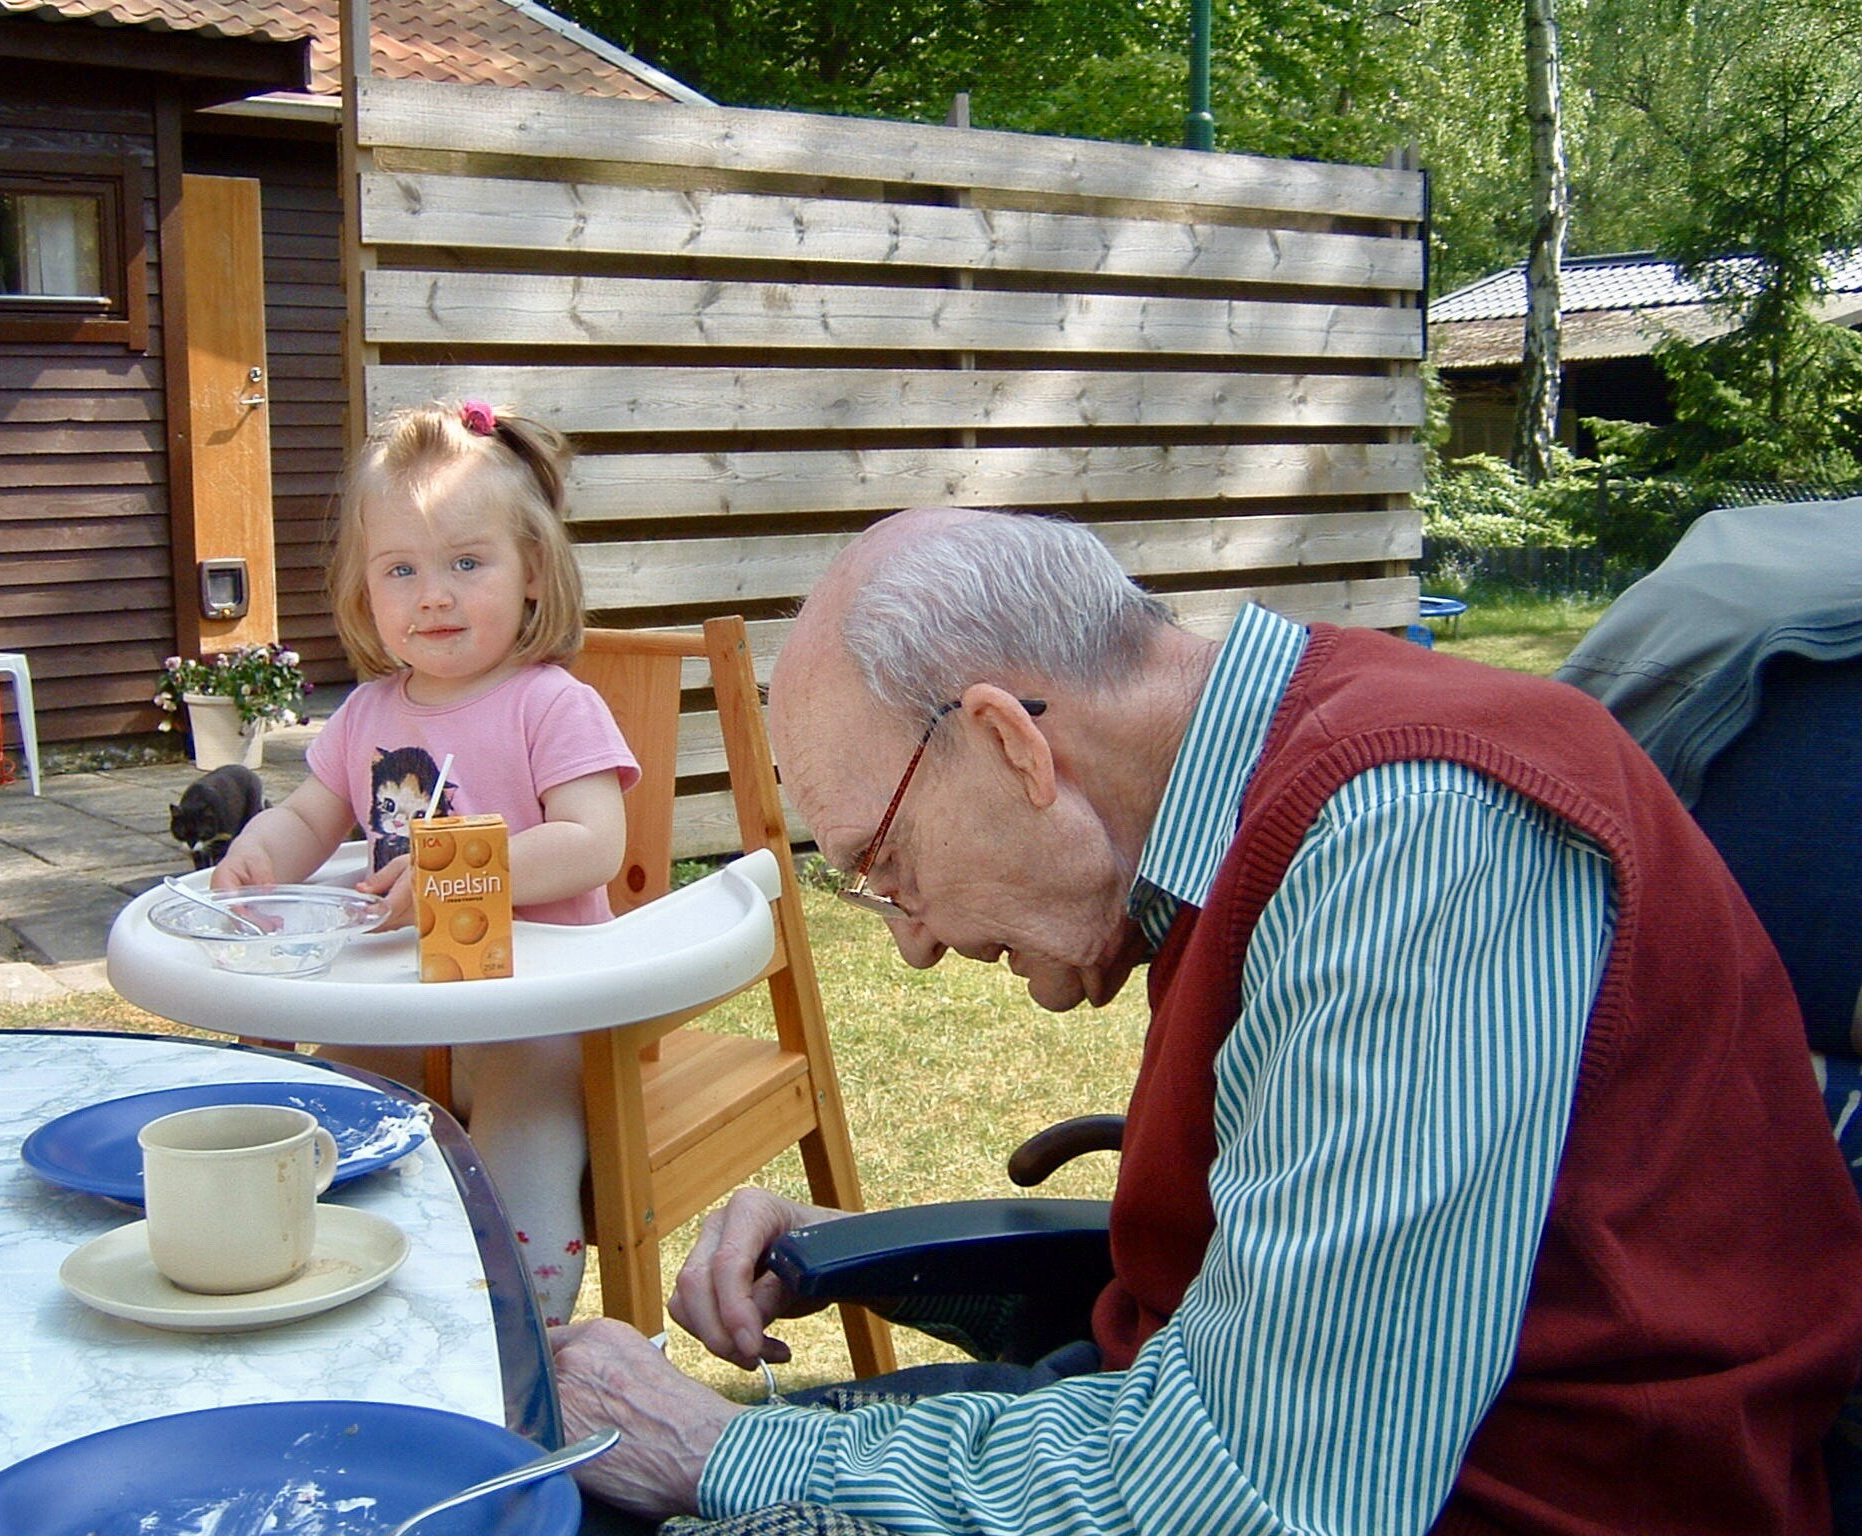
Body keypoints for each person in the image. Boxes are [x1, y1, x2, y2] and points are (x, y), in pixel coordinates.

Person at [551, 506, 1862, 1535]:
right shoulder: (1257, 811)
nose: (912, 942)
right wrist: (878, 1245)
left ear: (1012, 746)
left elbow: (1259, 1494)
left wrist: (720, 1449)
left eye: (887, 868)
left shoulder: (1413, 837)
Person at [214, 401, 637, 1327]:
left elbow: (593, 841)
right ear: (366, 594)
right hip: (399, 1004)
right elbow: (312, 815)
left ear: (534, 575)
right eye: (401, 569)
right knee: (319, 1108)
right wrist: (262, 853)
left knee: (524, 1135)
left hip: (534, 1010)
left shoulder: (551, 705)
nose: (432, 594)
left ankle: (527, 1339)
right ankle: (345, 1300)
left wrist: (465, 871)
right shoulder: (369, 714)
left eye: (466, 563)